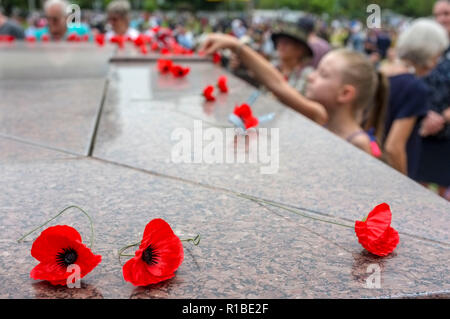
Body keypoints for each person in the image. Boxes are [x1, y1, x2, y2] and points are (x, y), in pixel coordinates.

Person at [199, 34, 386, 155]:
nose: (311, 77)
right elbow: (277, 83)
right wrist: (236, 45)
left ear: (345, 93)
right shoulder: (321, 118)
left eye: (322, 74)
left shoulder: (359, 144)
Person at [380, 19, 448, 180]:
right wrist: (406, 186)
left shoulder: (384, 71)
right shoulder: (415, 88)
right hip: (390, 174)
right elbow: (393, 147)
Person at [417, 0, 450, 200]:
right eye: (437, 14)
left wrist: (442, 119)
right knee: (418, 191)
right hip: (423, 128)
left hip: (446, 132)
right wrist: (423, 113)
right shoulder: (429, 47)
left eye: (446, 13)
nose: (441, 19)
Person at [229, 24, 315, 95]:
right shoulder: (273, 66)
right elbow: (256, 81)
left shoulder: (307, 75)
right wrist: (240, 66)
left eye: (286, 43)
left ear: (300, 49)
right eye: (279, 42)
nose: (280, 46)